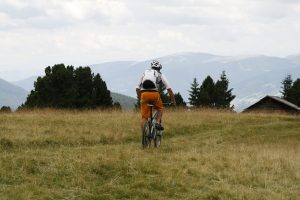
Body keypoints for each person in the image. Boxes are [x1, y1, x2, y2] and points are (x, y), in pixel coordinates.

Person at [136, 60, 176, 131]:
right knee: (160, 108)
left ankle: (144, 137)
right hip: (154, 94)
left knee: (144, 118)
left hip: (144, 94)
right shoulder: (160, 74)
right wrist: (173, 101)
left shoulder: (145, 73)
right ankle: (157, 122)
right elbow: (169, 89)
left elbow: (137, 88)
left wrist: (140, 99)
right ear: (159, 68)